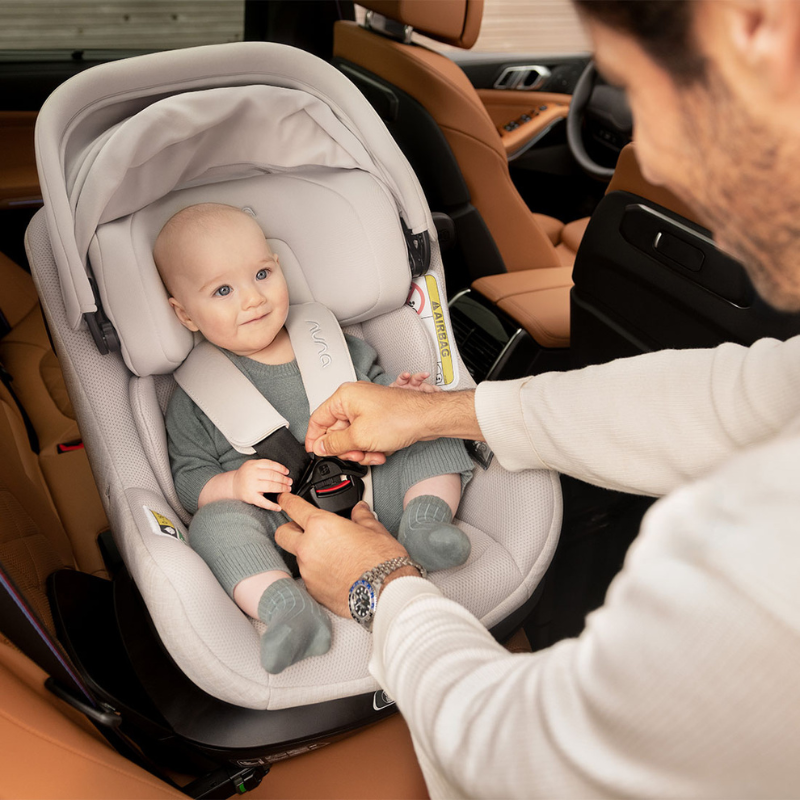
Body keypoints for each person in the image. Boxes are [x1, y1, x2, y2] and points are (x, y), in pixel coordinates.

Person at [273, 0, 800, 795]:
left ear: (761, 30)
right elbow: (736, 395)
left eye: (642, 92)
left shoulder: (762, 555)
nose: (652, 159)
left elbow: (524, 761)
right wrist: (443, 412)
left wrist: (380, 587)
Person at [154, 202, 473, 674]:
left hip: (375, 485)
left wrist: (401, 399)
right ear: (185, 314)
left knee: (430, 429)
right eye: (223, 290)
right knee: (213, 525)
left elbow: (377, 397)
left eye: (262, 274)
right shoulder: (194, 397)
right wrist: (234, 484)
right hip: (282, 526)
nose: (253, 299)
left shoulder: (333, 342)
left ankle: (424, 525)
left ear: (278, 266)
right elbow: (189, 478)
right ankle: (286, 606)